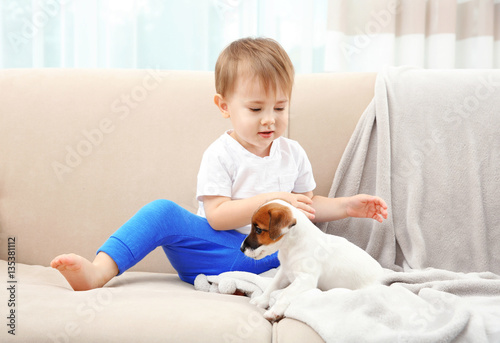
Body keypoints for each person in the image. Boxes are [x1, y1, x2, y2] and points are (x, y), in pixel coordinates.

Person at [50, 37, 388, 291]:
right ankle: (99, 271)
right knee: (161, 211)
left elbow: (306, 207)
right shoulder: (221, 154)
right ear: (224, 106)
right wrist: (272, 198)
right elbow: (216, 215)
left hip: (266, 256)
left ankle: (250, 283)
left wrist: (347, 206)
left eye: (280, 107)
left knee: (319, 247)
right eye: (256, 109)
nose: (269, 119)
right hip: (212, 248)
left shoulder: (292, 153)